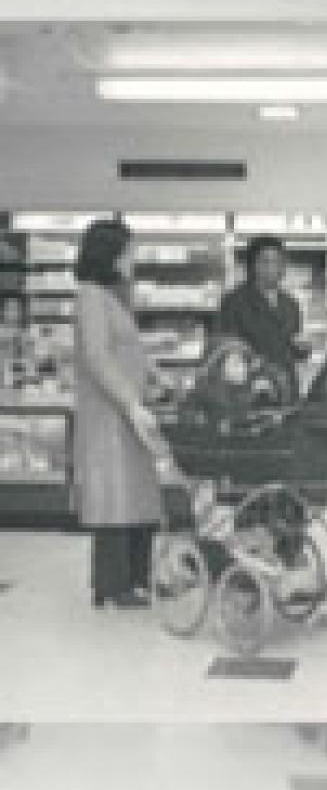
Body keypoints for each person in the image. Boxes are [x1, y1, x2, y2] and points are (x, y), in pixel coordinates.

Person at [73, 217, 166, 609]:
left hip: (128, 415)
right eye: (129, 251)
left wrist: (154, 378)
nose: (134, 259)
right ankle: (113, 586)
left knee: (136, 499)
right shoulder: (91, 296)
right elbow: (97, 357)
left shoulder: (113, 296)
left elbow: (126, 350)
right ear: (110, 254)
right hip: (111, 417)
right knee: (115, 500)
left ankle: (136, 580)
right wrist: (130, 402)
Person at [213, 234, 309, 400]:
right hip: (250, 392)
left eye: (278, 261)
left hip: (286, 389)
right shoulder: (234, 302)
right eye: (266, 261)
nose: (273, 268)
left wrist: (302, 350)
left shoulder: (291, 304)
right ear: (253, 265)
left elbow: (293, 349)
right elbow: (225, 350)